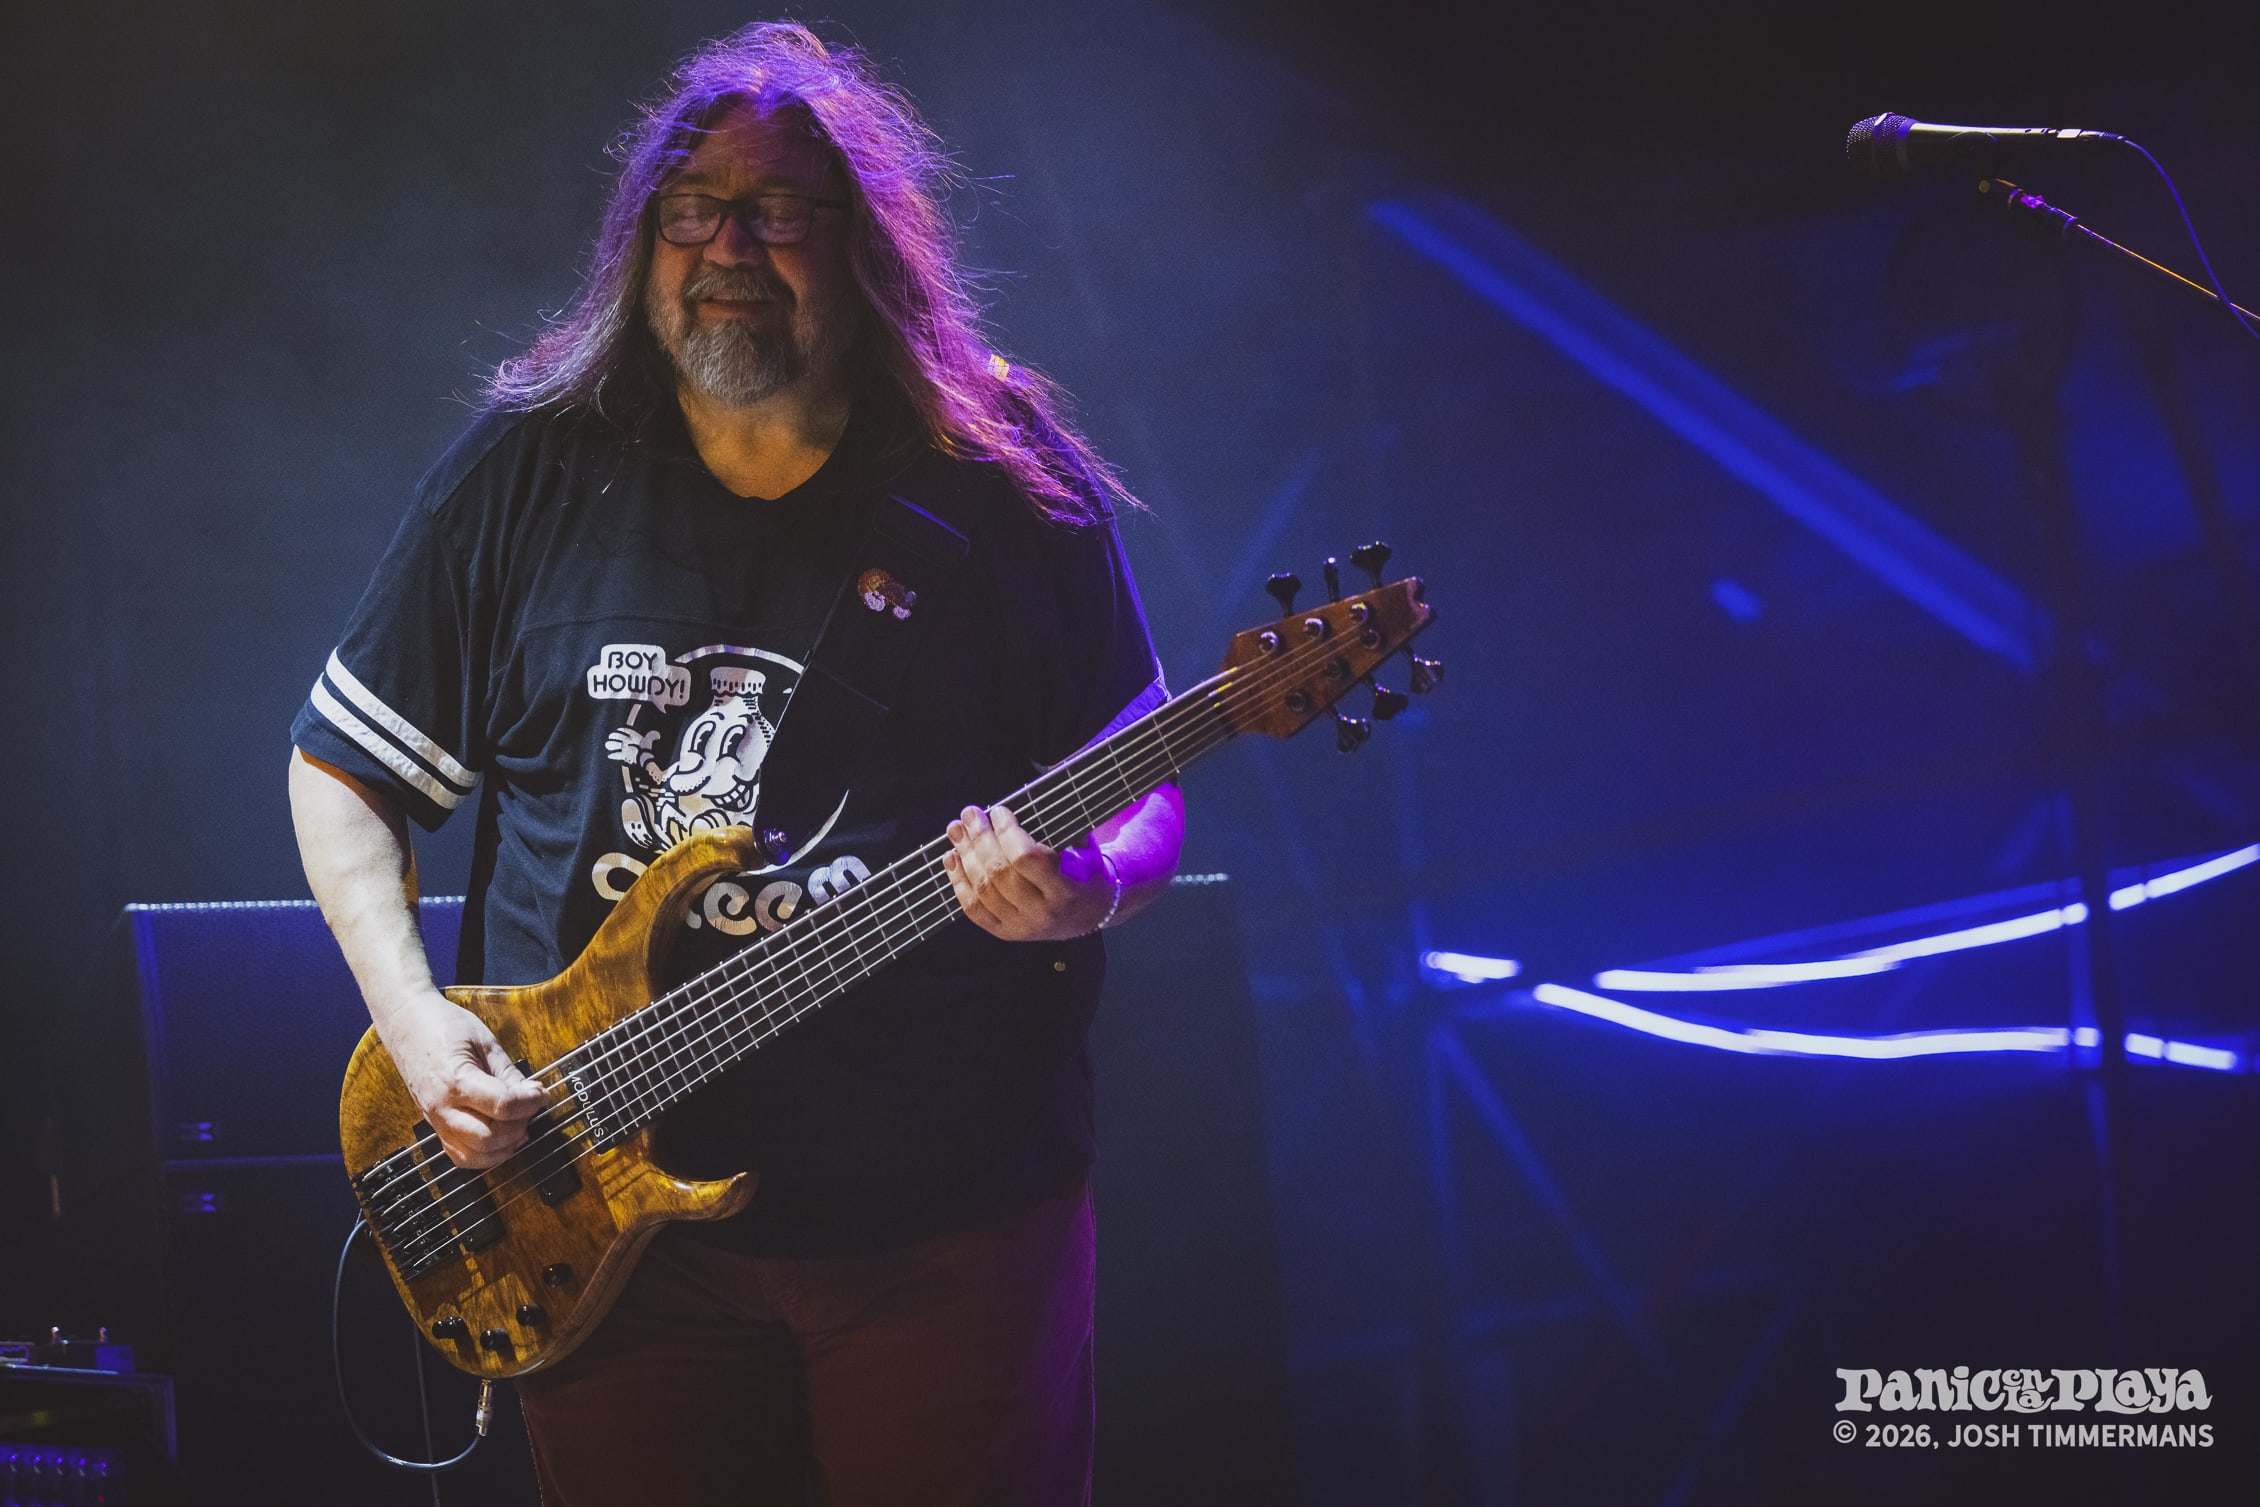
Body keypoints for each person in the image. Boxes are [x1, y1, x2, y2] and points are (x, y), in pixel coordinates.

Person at [288, 22, 1183, 1506]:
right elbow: (342, 773)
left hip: (949, 1222)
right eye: (691, 212)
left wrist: (1091, 887)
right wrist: (417, 1027)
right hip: (598, 1228)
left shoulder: (1000, 472)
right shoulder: (531, 468)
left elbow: (1144, 773)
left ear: (867, 245)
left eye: (778, 212)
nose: (727, 249)